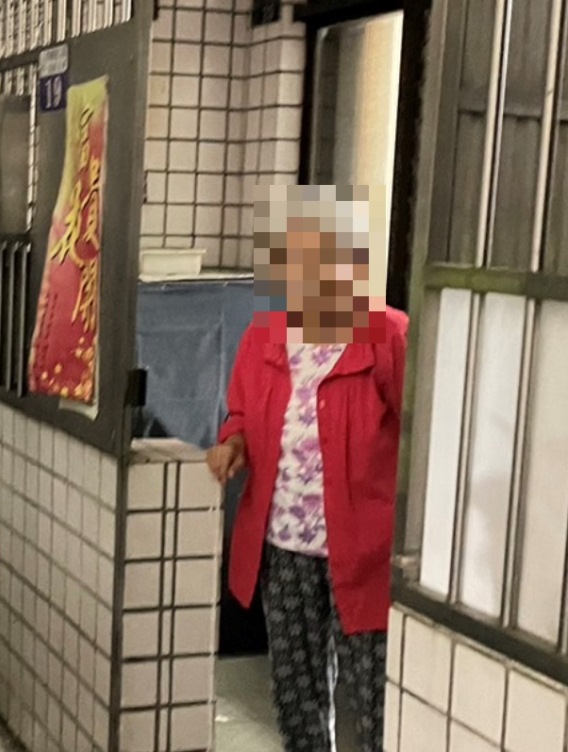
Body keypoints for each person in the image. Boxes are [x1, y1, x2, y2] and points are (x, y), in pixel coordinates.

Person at [207, 187, 407, 752]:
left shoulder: (389, 335)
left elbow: (421, 434)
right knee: (296, 697)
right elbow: (241, 411)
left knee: (374, 697)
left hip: (364, 552)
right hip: (284, 545)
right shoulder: (264, 336)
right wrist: (233, 442)